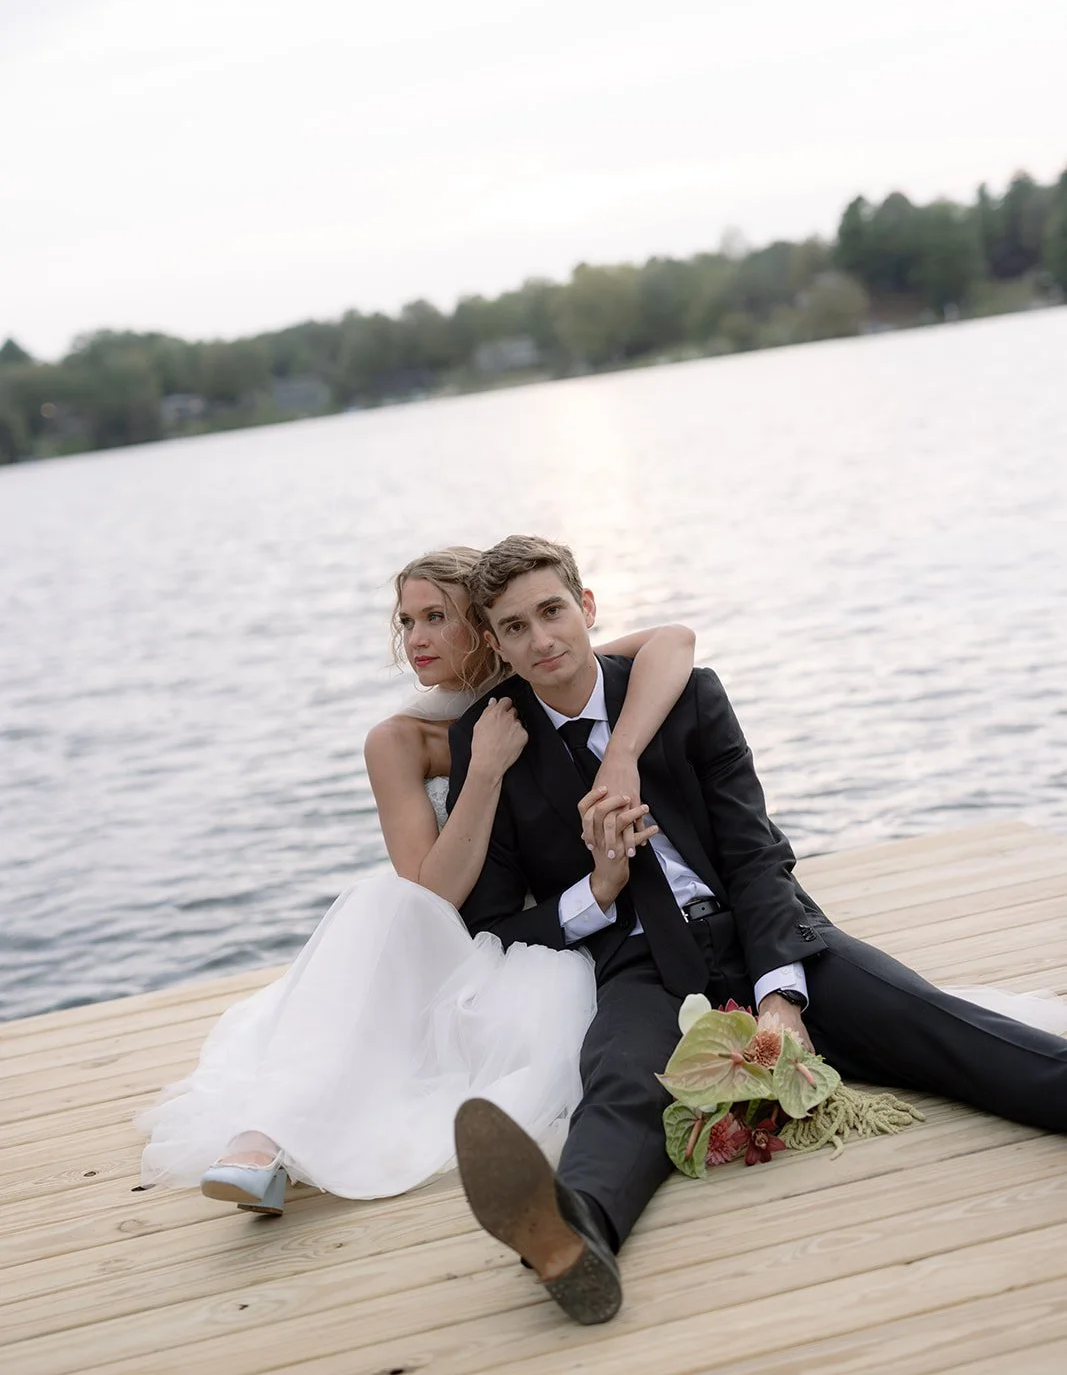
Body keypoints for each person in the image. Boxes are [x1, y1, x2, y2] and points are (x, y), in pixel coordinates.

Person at [447, 534, 1067, 1326]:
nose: (541, 639)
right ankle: (572, 1238)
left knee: (932, 1024)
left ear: (586, 605)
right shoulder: (489, 745)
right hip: (637, 959)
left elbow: (754, 854)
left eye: (551, 611)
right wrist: (597, 889)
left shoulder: (685, 696)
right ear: (495, 643)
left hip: (761, 929)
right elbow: (492, 922)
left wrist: (781, 997)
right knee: (620, 1084)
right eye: (515, 627)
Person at [136, 546, 696, 1214]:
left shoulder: (541, 675)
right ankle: (260, 1143)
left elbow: (672, 641)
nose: (416, 639)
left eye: (436, 617)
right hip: (440, 938)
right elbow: (431, 896)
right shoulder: (397, 739)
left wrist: (621, 754)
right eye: (406, 621)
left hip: (539, 934)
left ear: (483, 629)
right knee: (377, 905)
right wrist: (483, 768)